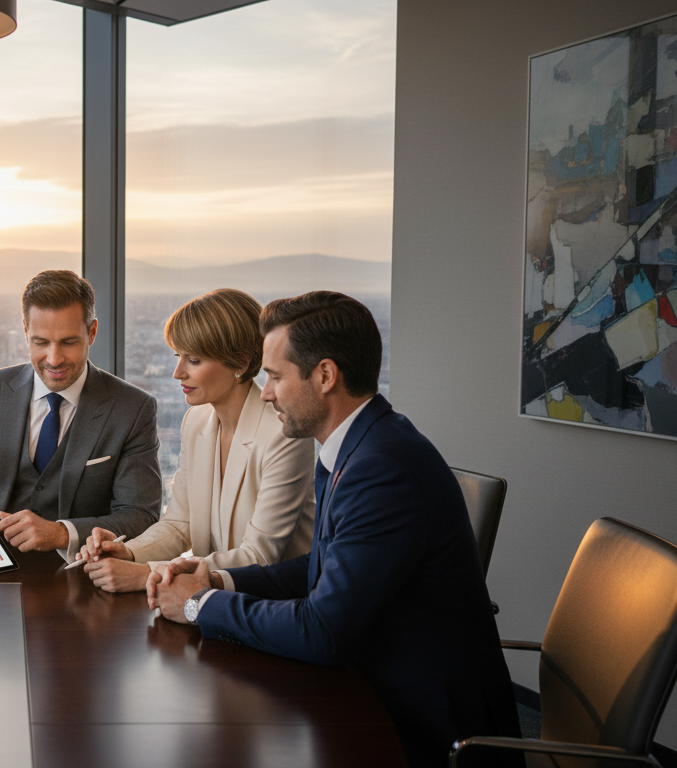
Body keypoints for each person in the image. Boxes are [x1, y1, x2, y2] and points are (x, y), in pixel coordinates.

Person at [147, 291, 521, 768]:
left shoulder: (381, 468)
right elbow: (321, 565)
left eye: (276, 377)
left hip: (425, 727)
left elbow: (323, 632)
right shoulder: (358, 445)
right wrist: (218, 579)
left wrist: (201, 605)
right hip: (376, 681)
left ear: (325, 376)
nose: (265, 392)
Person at [0, 270, 161, 567]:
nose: (53, 359)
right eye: (41, 342)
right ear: (25, 330)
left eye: (68, 342)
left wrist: (62, 533)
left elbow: (140, 515)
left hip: (86, 580)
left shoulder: (133, 408)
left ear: (92, 332)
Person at [76, 289, 315, 593]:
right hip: (208, 601)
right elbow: (180, 523)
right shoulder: (196, 421)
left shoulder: (283, 434)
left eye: (194, 360)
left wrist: (146, 574)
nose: (178, 373)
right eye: (179, 357)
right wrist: (129, 552)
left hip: (272, 607)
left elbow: (259, 557)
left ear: (240, 361)